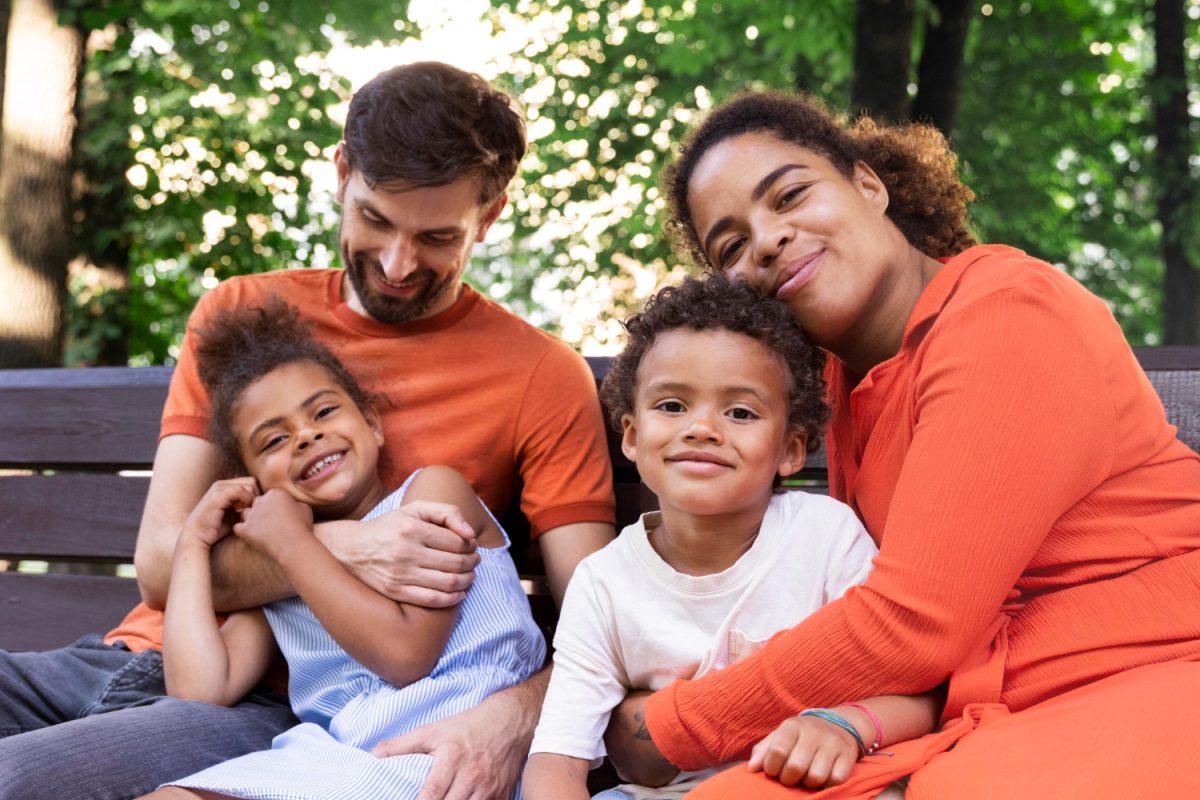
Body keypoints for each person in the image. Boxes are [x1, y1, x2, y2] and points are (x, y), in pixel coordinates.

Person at [0, 61, 615, 800]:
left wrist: (515, 716)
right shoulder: (240, 319)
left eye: (436, 237)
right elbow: (162, 564)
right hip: (135, 655)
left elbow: (597, 616)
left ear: (489, 217)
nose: (397, 263)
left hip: (289, 710)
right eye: (377, 219)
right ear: (342, 173)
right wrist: (346, 547)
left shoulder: (538, 374)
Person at [603, 89, 1200, 798]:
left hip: (1145, 664)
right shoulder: (839, 380)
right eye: (731, 245)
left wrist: (670, 725)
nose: (766, 238)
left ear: (867, 184)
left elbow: (912, 622)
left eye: (790, 195)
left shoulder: (1008, 316)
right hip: (964, 701)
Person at [523, 274, 939, 800]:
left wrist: (847, 726)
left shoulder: (826, 538)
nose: (702, 428)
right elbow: (557, 761)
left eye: (739, 412)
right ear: (631, 436)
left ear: (790, 449)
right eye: (672, 406)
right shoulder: (603, 583)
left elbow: (918, 693)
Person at [141, 297, 545, 800]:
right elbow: (199, 687)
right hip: (339, 758)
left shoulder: (431, 495)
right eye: (273, 441)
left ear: (372, 424)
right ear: (255, 484)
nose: (307, 436)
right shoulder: (279, 577)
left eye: (324, 411)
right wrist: (194, 543)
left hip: (448, 748)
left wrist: (291, 542)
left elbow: (406, 656)